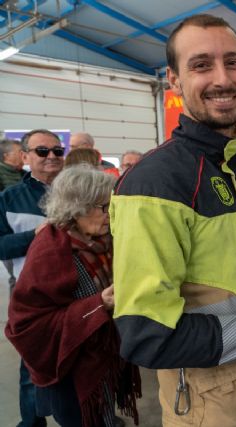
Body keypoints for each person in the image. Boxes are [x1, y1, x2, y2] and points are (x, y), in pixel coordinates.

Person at [109, 14, 236, 426]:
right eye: (202, 65)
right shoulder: (154, 184)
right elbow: (147, 336)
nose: (223, 78)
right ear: (174, 80)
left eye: (233, 62)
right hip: (213, 407)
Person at [5, 165, 140, 427]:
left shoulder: (104, 241)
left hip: (103, 357)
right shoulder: (51, 251)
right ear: (77, 208)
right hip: (72, 372)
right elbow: (26, 325)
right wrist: (99, 303)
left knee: (102, 414)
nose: (110, 214)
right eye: (103, 207)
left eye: (112, 206)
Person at [0, 128, 65, 427]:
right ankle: (31, 423)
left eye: (57, 151)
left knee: (82, 361)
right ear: (25, 156)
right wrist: (34, 236)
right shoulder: (9, 199)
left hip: (78, 292)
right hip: (31, 297)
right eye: (42, 151)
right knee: (32, 367)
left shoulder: (78, 192)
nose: (51, 156)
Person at [0, 138, 26, 292]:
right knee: (17, 276)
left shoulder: (24, 175)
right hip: (9, 235)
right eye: (19, 152)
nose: (24, 155)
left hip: (26, 231)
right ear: (7, 156)